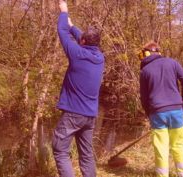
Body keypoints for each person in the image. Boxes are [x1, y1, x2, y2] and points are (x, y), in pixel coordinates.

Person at [52, 1, 104, 177]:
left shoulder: (77, 53)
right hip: (90, 115)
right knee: (87, 154)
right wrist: (72, 25)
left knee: (60, 150)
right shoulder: (99, 57)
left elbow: (62, 32)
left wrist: (64, 12)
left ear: (82, 41)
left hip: (74, 114)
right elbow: (80, 37)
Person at [139, 41, 183, 177]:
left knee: (161, 148)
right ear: (158, 52)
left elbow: (144, 97)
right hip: (176, 110)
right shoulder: (173, 63)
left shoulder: (144, 71)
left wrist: (149, 114)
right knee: (179, 145)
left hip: (157, 113)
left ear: (146, 53)